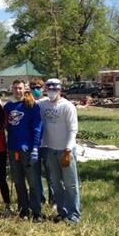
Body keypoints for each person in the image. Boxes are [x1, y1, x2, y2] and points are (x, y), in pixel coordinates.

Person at [38, 78, 80, 224]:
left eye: (54, 90)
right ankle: (62, 212)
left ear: (60, 90)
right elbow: (29, 103)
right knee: (56, 184)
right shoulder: (42, 104)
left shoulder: (67, 106)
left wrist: (68, 150)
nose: (51, 92)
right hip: (50, 150)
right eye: (49, 89)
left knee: (70, 184)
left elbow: (73, 129)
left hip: (65, 150)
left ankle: (74, 214)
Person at [4, 80, 43, 221]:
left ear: (24, 89)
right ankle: (23, 210)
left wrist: (35, 148)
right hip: (13, 149)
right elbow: (7, 126)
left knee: (33, 182)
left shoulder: (31, 105)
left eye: (20, 88)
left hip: (27, 149)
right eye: (15, 88)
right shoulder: (8, 106)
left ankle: (36, 212)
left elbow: (37, 128)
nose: (18, 91)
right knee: (19, 182)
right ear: (12, 89)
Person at [30, 77, 54, 206]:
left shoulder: (48, 101)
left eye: (38, 87)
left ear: (43, 88)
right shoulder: (29, 102)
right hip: (35, 144)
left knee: (51, 173)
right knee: (36, 174)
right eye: (33, 88)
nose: (35, 90)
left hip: (48, 142)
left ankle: (53, 199)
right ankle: (40, 198)